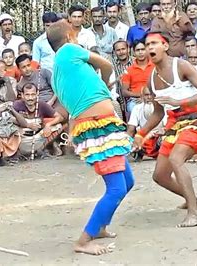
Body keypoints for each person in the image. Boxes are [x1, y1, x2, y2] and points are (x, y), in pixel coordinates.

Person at [47, 20, 134, 255]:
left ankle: (101, 225)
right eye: (74, 33)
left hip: (100, 126)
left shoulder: (59, 72)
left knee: (127, 182)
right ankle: (83, 241)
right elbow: (106, 64)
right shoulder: (69, 50)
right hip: (99, 128)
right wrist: (105, 84)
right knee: (117, 188)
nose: (77, 36)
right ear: (68, 37)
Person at [133, 31, 197, 227]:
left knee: (176, 159)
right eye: (147, 45)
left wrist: (179, 101)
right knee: (160, 176)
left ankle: (194, 213)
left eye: (154, 43)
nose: (150, 48)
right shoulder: (152, 79)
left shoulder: (182, 66)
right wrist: (140, 134)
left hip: (195, 121)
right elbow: (158, 112)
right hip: (173, 125)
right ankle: (193, 198)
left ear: (165, 46)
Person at [13, 83, 65, 157]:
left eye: (33, 94)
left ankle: (44, 148)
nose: (30, 98)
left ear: (37, 94)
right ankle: (16, 153)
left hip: (38, 137)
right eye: (27, 95)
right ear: (22, 95)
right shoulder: (16, 105)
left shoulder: (41, 104)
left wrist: (48, 125)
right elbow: (8, 120)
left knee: (58, 126)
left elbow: (60, 117)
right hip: (21, 138)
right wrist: (25, 125)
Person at [127, 86, 164, 161]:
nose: (149, 97)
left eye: (151, 95)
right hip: (143, 137)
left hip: (160, 136)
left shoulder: (163, 107)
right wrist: (127, 143)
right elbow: (131, 130)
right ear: (141, 97)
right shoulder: (137, 108)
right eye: (146, 95)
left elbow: (167, 128)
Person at [121, 39, 154, 114]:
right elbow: (124, 92)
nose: (140, 52)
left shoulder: (155, 66)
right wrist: (141, 95)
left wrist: (148, 97)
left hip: (154, 97)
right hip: (135, 100)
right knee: (132, 108)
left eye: (143, 49)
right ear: (133, 52)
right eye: (137, 50)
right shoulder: (129, 70)